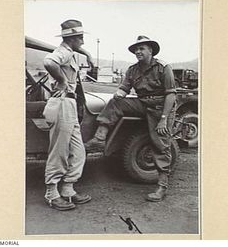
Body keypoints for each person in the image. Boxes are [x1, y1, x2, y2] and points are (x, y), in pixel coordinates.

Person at [85, 35, 177, 202]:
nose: (137, 51)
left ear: (151, 50)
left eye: (141, 48)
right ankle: (99, 138)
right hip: (142, 103)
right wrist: (119, 93)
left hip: (160, 108)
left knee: (160, 143)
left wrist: (164, 118)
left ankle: (162, 187)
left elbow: (171, 95)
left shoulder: (163, 67)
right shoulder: (133, 69)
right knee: (115, 103)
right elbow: (125, 87)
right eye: (136, 49)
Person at [43, 19, 94, 210]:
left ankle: (68, 189)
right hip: (62, 102)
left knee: (78, 151)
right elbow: (49, 61)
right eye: (80, 37)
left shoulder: (70, 51)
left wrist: (87, 54)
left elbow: (73, 51)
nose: (82, 41)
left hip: (69, 104)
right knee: (60, 150)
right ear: (72, 38)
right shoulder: (63, 52)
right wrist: (63, 81)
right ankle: (51, 193)